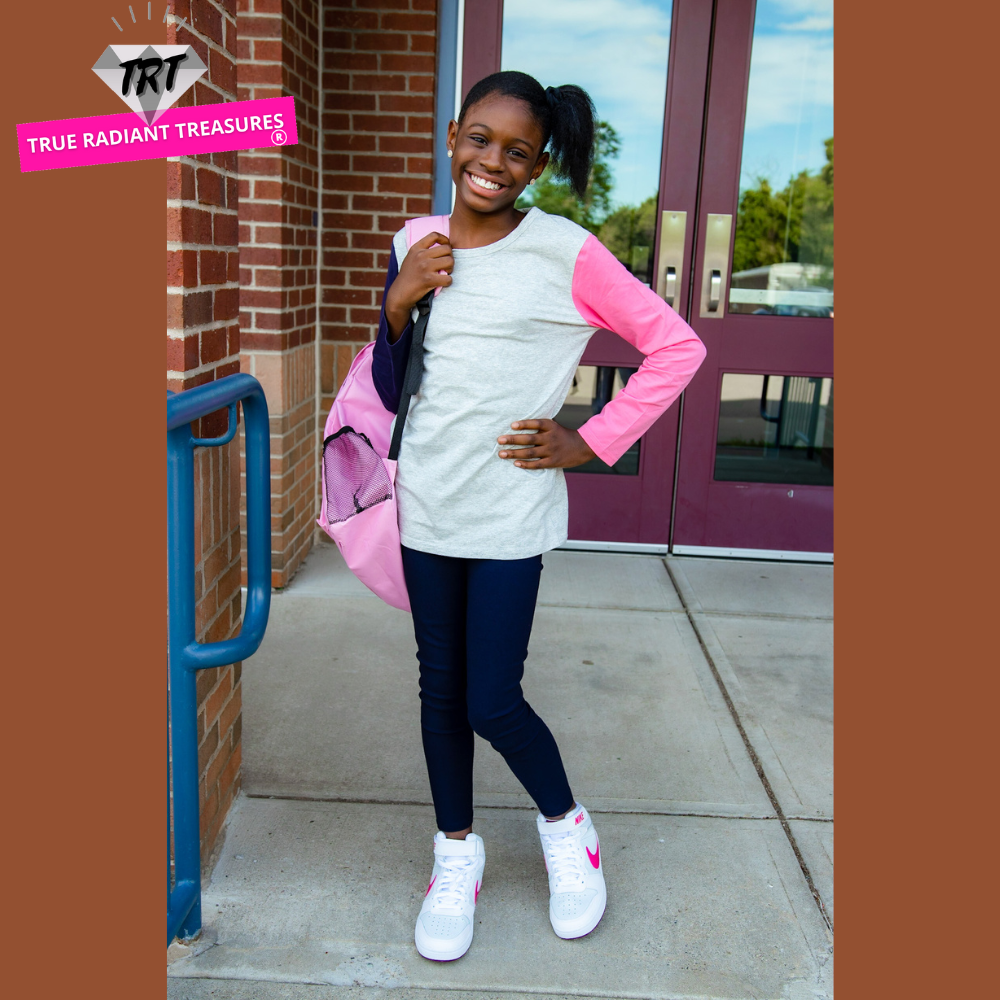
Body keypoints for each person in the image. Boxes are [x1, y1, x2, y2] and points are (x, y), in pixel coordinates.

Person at [371, 71, 706, 962]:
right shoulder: (415, 237)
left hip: (510, 512)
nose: (493, 162)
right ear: (452, 136)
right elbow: (390, 383)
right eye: (479, 139)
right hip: (427, 502)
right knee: (438, 691)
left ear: (538, 165)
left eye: (516, 151)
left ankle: (566, 830)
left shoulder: (565, 250)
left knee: (491, 697)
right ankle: (456, 853)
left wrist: (592, 441)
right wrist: (400, 301)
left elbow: (678, 345)